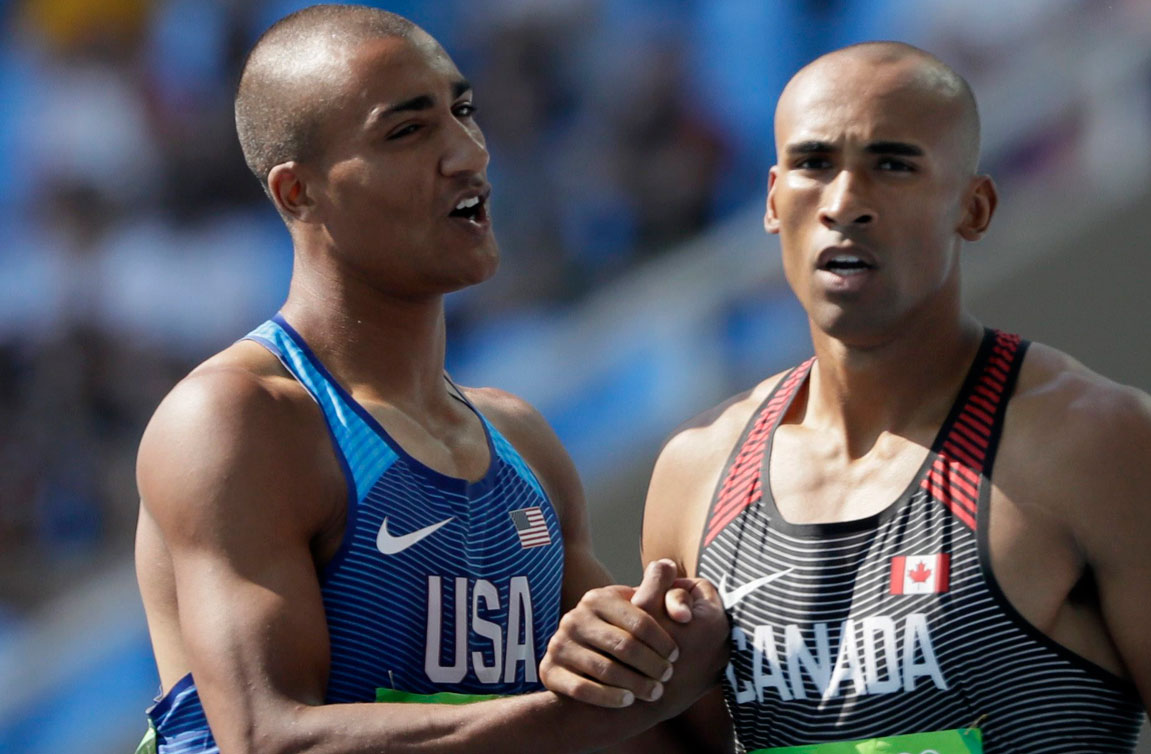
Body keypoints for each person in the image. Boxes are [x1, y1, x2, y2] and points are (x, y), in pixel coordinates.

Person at [542, 42, 1151, 753]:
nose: (845, 203)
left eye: (892, 165)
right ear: (772, 201)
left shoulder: (1095, 446)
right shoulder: (695, 474)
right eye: (813, 165)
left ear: (975, 207)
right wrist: (612, 677)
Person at [132, 5, 726, 753]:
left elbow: (661, 726)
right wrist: (582, 713)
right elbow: (269, 736)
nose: (468, 153)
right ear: (297, 193)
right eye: (408, 131)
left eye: (464, 111)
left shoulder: (522, 443)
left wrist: (678, 645)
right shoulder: (239, 418)